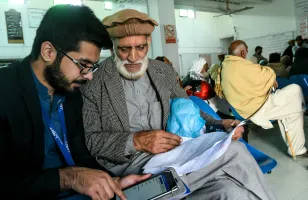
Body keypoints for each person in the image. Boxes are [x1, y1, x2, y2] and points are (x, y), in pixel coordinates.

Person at [0, 5, 149, 200]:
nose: (89, 76)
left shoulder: (71, 94)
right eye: (83, 65)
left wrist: (112, 182)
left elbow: (81, 156)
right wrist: (69, 178)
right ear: (48, 51)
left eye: (93, 67)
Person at [82, 9, 277, 199]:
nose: (133, 57)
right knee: (235, 152)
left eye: (140, 48)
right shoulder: (94, 84)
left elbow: (188, 108)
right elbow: (92, 141)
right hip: (135, 170)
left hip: (177, 156)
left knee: (234, 193)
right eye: (124, 49)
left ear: (148, 43)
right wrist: (137, 140)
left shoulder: (162, 72)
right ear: (113, 47)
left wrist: (220, 124)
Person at [215, 40, 308, 159]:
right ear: (243, 52)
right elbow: (266, 74)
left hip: (243, 108)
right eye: (247, 51)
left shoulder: (225, 66)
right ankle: (297, 148)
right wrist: (270, 79)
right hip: (257, 108)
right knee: (295, 90)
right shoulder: (240, 65)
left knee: (291, 108)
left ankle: (297, 147)